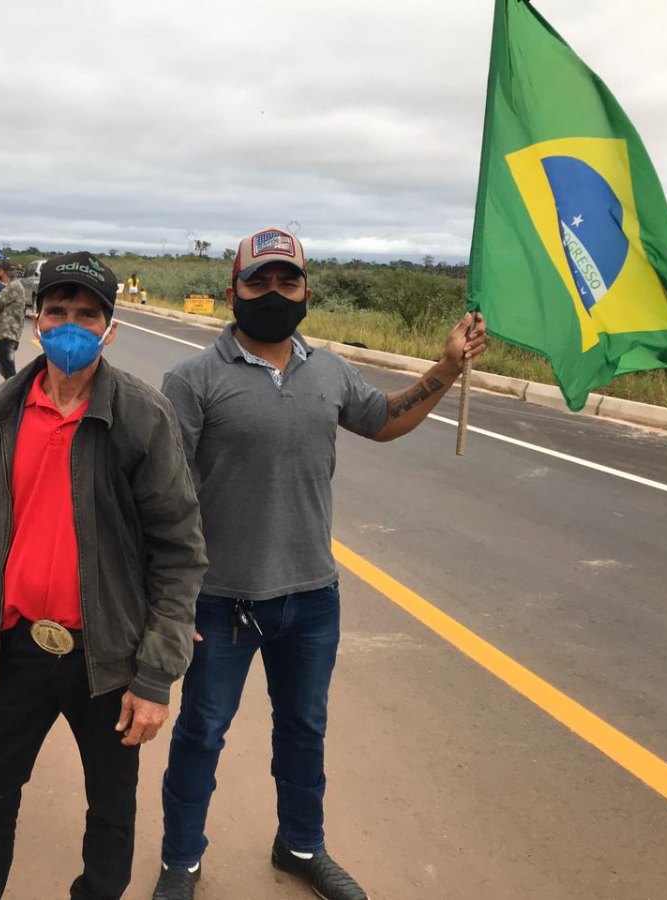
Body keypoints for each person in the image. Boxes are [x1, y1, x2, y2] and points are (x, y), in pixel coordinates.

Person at [149, 228, 488, 900]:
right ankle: (181, 861)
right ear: (232, 292)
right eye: (259, 282)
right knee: (202, 735)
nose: (273, 294)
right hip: (221, 602)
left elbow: (383, 419)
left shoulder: (327, 370)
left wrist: (447, 368)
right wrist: (168, 601)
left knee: (304, 729)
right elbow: (164, 498)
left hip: (311, 598)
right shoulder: (192, 380)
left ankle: (301, 844)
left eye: (287, 282)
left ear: (306, 291)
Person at [0, 251, 208, 900]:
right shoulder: (2, 416)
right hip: (15, 648)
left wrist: (155, 675)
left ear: (109, 328)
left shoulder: (142, 417)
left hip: (109, 656)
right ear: (36, 321)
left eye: (86, 315)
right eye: (57, 311)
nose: (70, 325)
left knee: (112, 810)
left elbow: (178, 551)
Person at [0, 260, 30, 382]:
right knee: (6, 369)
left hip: (7, 334)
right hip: (8, 333)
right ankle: (13, 395)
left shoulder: (13, 287)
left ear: (2, 271)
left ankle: (15, 397)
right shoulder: (14, 285)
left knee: (8, 371)